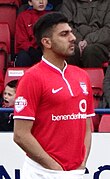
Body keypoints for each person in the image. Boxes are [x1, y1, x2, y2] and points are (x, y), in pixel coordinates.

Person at [13, 12, 95, 179]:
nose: (72, 37)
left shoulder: (82, 76)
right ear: (46, 42)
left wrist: (81, 164)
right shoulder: (32, 78)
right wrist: (54, 168)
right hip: (43, 172)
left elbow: (86, 125)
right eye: (64, 34)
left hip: (77, 172)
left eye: (71, 32)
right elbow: (20, 134)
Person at [60, 0, 110, 68]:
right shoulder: (68, 2)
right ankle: (71, 78)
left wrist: (88, 40)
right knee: (71, 50)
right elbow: (65, 25)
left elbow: (108, 29)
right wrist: (78, 41)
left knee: (91, 51)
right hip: (73, 41)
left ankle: (92, 78)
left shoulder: (107, 3)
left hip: (100, 44)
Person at [15, 0, 52, 67]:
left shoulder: (52, 16)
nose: (41, 2)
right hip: (30, 51)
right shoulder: (23, 16)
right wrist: (31, 49)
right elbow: (21, 40)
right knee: (22, 57)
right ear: (30, 2)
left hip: (48, 49)